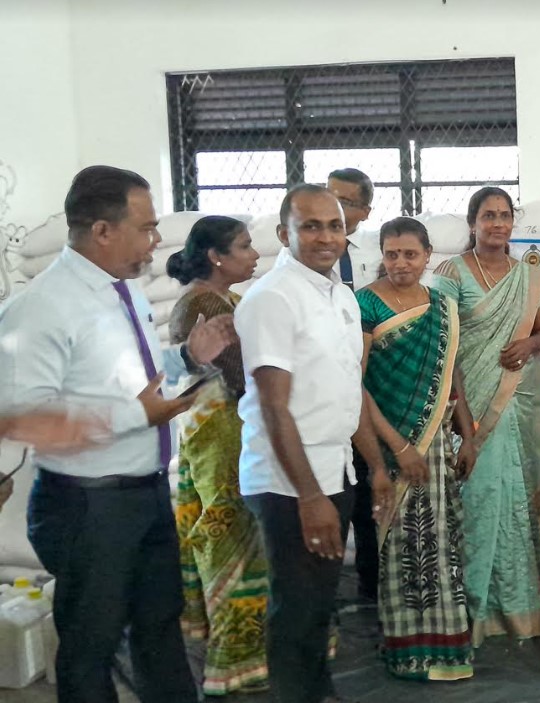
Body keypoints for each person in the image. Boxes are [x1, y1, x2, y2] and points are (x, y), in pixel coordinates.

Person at [0, 165, 235, 703]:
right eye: (146, 228)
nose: (155, 241)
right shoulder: (41, 308)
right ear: (102, 231)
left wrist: (186, 356)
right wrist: (137, 417)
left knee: (160, 630)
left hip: (143, 495)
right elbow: (23, 417)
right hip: (86, 506)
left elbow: (130, 380)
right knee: (92, 646)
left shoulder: (121, 292)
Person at [234, 183, 391, 703]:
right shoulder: (273, 298)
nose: (326, 237)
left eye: (335, 226)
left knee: (320, 603)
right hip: (289, 483)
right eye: (311, 226)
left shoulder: (340, 295)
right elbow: (274, 407)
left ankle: (318, 692)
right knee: (297, 608)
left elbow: (349, 390)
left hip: (336, 470)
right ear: (285, 234)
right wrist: (309, 496)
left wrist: (375, 467)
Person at [358, 216, 479, 680]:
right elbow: (355, 385)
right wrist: (399, 447)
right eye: (391, 254)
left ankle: (447, 649)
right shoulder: (364, 304)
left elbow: (453, 376)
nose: (400, 263)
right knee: (398, 548)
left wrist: (468, 436)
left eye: (410, 254)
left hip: (438, 446)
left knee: (441, 543)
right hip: (388, 447)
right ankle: (406, 652)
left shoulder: (442, 305)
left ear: (428, 255)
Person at [431, 186, 540, 644]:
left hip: (513, 404)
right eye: (488, 215)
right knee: (475, 505)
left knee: (513, 501)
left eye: (504, 215)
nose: (498, 223)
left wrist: (530, 344)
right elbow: (443, 346)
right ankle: (469, 613)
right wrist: (464, 423)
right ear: (473, 223)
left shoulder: (528, 277)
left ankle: (516, 610)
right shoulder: (451, 272)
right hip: (467, 405)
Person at [166, 215, 267, 695]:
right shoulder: (203, 305)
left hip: (226, 433)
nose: (255, 255)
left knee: (237, 537)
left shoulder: (226, 300)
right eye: (245, 246)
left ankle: (244, 652)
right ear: (216, 256)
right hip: (222, 437)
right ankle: (234, 662)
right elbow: (244, 375)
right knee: (229, 540)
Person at [328, 167, 384, 603]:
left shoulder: (377, 255)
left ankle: (371, 585)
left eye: (346, 202)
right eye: (329, 196)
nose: (335, 207)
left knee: (367, 493)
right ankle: (325, 591)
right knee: (331, 495)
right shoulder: (307, 257)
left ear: (365, 211)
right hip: (325, 392)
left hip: (371, 387)